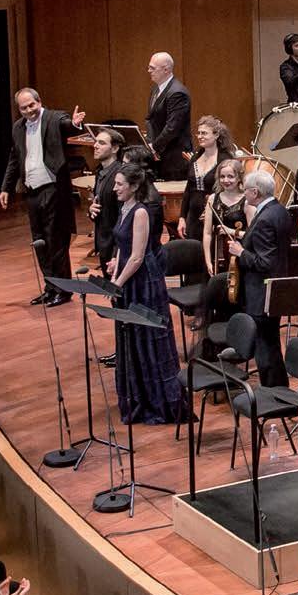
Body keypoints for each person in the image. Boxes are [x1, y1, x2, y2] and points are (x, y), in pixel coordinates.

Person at [107, 164, 184, 423]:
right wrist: (114, 270)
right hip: (127, 277)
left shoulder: (140, 212)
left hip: (143, 282)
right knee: (131, 337)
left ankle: (156, 400)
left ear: (134, 186)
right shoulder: (124, 207)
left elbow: (138, 256)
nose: (115, 188)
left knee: (147, 337)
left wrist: (118, 282)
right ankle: (136, 395)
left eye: (119, 184)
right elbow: (122, 247)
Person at [0, 87, 86, 307]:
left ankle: (63, 290)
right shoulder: (18, 127)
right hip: (32, 191)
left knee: (55, 240)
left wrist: (75, 124)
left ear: (39, 101)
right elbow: (14, 158)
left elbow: (68, 125)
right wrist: (6, 188)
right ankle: (50, 287)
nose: (29, 110)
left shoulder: (55, 118)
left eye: (32, 105)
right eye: (24, 108)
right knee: (40, 242)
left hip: (52, 189)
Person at [227, 170, 291, 388]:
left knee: (265, 349)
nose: (243, 193)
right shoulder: (280, 210)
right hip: (276, 288)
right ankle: (279, 391)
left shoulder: (264, 219)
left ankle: (273, 394)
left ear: (255, 192)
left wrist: (241, 252)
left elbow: (265, 263)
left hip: (261, 292)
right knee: (271, 344)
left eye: (245, 190)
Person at [178, 115, 236, 240]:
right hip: (193, 216)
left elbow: (230, 190)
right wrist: (182, 217)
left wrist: (213, 211)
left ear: (216, 135)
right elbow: (188, 189)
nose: (200, 136)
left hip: (215, 216)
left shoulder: (225, 159)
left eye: (204, 133)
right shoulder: (195, 158)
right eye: (198, 133)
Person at [144, 52, 192, 180]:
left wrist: (154, 147)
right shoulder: (155, 89)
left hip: (174, 158)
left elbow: (172, 127)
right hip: (159, 155)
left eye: (152, 68)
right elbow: (150, 119)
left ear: (166, 69)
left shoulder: (177, 93)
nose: (149, 71)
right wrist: (150, 142)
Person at [203, 159, 251, 277]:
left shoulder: (247, 201)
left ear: (239, 178)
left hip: (239, 255)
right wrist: (208, 261)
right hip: (216, 254)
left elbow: (252, 236)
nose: (225, 180)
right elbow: (207, 233)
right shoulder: (212, 199)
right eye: (222, 176)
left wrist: (231, 231)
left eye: (230, 176)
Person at [89, 127, 124, 276]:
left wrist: (116, 254)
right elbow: (100, 204)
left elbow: (123, 216)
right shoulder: (100, 172)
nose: (95, 145)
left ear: (115, 148)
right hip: (104, 242)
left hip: (115, 245)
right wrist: (91, 209)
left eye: (101, 143)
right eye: (96, 142)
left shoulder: (120, 175)